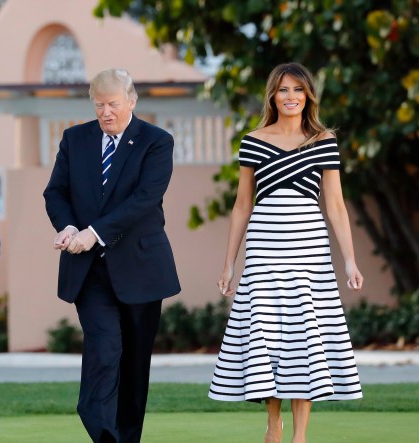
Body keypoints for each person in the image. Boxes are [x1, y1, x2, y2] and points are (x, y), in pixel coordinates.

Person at [209, 62, 364, 443]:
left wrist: (349, 259)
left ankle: (300, 437)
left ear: (308, 95)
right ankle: (274, 423)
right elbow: (242, 205)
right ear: (272, 96)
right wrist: (229, 263)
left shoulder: (324, 140)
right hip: (264, 250)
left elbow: (336, 207)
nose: (291, 96)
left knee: (305, 336)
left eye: (298, 89)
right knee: (267, 334)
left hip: (309, 251)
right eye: (283, 89)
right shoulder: (253, 139)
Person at [43, 69, 181, 443]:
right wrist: (70, 227)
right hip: (89, 272)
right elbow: (55, 193)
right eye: (99, 105)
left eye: (113, 104)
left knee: (134, 366)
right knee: (104, 353)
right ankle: (104, 436)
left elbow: (144, 200)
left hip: (141, 268)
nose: (105, 112)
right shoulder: (75, 139)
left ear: (131, 102)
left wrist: (94, 233)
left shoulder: (157, 142)